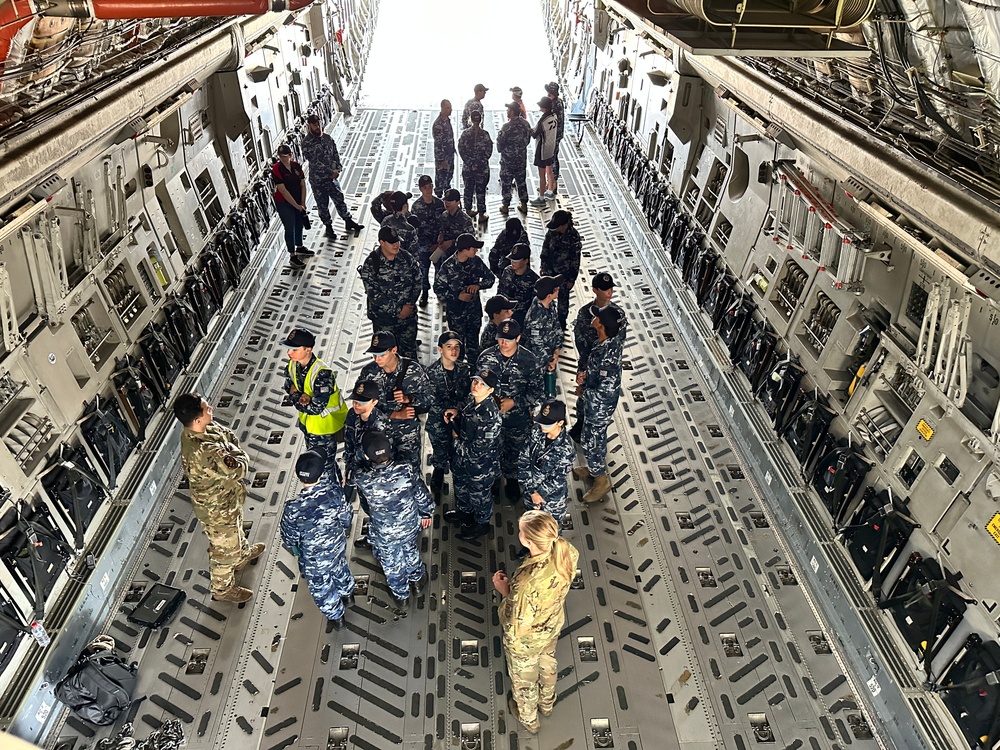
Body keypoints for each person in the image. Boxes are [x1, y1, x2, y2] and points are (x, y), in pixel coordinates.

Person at [492, 510, 579, 734]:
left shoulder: (525, 583)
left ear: (527, 540)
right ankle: (547, 704)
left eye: (521, 531)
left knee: (524, 681)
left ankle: (529, 719)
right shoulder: (566, 550)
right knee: (547, 661)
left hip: (526, 641)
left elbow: (513, 624)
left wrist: (505, 593)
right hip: (552, 625)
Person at [175, 393, 264, 603]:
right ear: (197, 419)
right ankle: (222, 589)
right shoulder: (204, 451)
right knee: (224, 553)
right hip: (216, 509)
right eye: (207, 409)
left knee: (236, 529)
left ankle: (241, 556)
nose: (211, 409)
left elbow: (229, 437)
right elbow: (240, 468)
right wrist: (236, 454)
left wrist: (231, 451)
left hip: (227, 498)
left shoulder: (202, 430)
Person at [352, 431, 433, 608]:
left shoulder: (363, 477)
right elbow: (422, 496)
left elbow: (363, 499)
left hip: (384, 531)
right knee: (410, 549)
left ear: (367, 456)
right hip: (410, 524)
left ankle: (401, 595)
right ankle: (417, 580)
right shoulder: (406, 469)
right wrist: (426, 513)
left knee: (391, 563)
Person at [281, 449, 354, 629]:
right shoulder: (334, 494)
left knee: (321, 587)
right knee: (340, 567)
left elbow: (289, 537)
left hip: (314, 559)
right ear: (322, 473)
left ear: (297, 474)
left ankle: (337, 617)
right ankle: (348, 594)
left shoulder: (292, 507)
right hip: (336, 546)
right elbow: (346, 518)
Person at [477, 319, 544, 502]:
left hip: (517, 417)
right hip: (491, 417)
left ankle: (512, 480)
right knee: (491, 449)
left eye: (508, 339)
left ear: (518, 338)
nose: (503, 343)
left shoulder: (529, 361)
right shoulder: (486, 357)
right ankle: (495, 480)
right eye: (500, 339)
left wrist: (515, 402)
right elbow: (477, 385)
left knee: (515, 449)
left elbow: (537, 390)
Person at [359, 331, 432, 474]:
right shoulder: (368, 373)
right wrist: (394, 414)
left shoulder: (413, 370)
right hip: (378, 435)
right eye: (374, 354)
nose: (377, 359)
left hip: (406, 435)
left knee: (410, 473)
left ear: (394, 350)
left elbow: (429, 398)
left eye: (382, 354)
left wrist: (409, 399)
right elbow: (361, 406)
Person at [444, 368, 502, 540]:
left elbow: (478, 449)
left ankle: (481, 523)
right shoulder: (473, 399)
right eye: (475, 381)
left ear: (490, 390)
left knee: (479, 495)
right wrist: (456, 412)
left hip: (480, 466)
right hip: (463, 461)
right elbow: (465, 410)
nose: (476, 385)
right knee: (461, 486)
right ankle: (465, 511)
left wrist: (456, 440)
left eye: (482, 384)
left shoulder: (490, 416)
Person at [282, 327, 348, 478]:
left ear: (308, 350)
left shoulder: (322, 373)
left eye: (294, 349)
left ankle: (334, 495)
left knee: (325, 468)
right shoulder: (293, 365)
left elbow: (315, 408)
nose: (289, 353)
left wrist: (294, 396)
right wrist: (300, 397)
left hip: (324, 429)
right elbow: (287, 384)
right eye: (289, 349)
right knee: (323, 464)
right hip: (309, 426)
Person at [570, 272, 629, 442]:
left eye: (610, 288)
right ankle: (580, 425)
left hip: (603, 365)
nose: (608, 292)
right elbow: (580, 341)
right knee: (582, 401)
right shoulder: (585, 313)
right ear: (595, 290)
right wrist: (583, 368)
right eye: (604, 289)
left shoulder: (618, 315)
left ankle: (592, 438)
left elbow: (619, 343)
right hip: (589, 362)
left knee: (595, 402)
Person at [577, 308, 623, 503]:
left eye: (597, 318)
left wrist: (584, 392)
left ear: (602, 325)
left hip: (599, 406)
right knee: (596, 439)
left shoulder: (609, 357)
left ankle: (601, 480)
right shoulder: (603, 343)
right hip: (594, 402)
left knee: (591, 441)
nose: (593, 319)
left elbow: (605, 391)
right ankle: (594, 469)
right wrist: (586, 376)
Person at [357, 226, 421, 359]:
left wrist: (409, 305)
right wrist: (398, 310)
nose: (396, 245)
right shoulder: (372, 263)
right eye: (392, 242)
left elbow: (417, 281)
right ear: (381, 242)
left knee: (409, 355)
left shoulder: (406, 257)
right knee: (386, 358)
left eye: (397, 241)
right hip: (384, 321)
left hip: (407, 320)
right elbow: (373, 293)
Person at [299, 113, 364, 241]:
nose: (317, 127)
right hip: (318, 180)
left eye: (318, 124)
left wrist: (338, 168)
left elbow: (335, 154)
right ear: (309, 126)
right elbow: (315, 162)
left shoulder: (327, 138)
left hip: (332, 178)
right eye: (314, 125)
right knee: (323, 204)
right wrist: (331, 171)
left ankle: (348, 220)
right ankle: (328, 227)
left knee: (339, 199)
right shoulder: (307, 143)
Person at [434, 233, 496, 364]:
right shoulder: (448, 266)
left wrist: (478, 286)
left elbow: (490, 278)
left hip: (473, 312)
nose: (476, 250)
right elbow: (438, 290)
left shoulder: (476, 262)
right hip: (456, 315)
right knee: (457, 350)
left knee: (474, 348)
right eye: (473, 248)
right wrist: (457, 296)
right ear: (464, 250)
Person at [426, 331, 471, 493]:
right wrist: (447, 412)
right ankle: (438, 470)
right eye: (449, 347)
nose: (453, 351)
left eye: (457, 347)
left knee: (459, 453)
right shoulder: (430, 373)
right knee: (439, 450)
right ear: (440, 349)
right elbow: (430, 400)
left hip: (461, 419)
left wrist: (457, 409)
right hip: (439, 422)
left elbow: (471, 395)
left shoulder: (465, 370)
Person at [518, 401, 574, 525]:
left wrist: (538, 495)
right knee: (531, 524)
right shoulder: (536, 431)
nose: (542, 425)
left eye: (547, 423)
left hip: (551, 500)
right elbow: (524, 458)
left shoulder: (566, 448)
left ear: (560, 422)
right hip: (530, 491)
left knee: (551, 529)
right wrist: (530, 490)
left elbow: (558, 478)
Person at [342, 379, 394, 508]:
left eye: (361, 402)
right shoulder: (352, 415)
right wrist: (349, 469)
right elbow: (349, 443)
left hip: (372, 474)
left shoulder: (380, 425)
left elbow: (383, 458)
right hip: (356, 468)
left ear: (374, 402)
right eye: (354, 400)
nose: (356, 405)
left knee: (371, 505)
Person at [272, 144, 312, 269]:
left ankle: (299, 246)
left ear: (290, 155)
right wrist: (296, 205)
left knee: (299, 223)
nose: (282, 159)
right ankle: (292, 255)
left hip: (297, 200)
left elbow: (303, 185)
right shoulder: (277, 169)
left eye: (285, 156)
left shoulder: (296, 166)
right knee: (290, 226)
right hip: (284, 203)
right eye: (280, 157)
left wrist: (303, 203)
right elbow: (283, 190)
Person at [540, 209, 582, 329]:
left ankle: (561, 323)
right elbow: (545, 248)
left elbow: (576, 260)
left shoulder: (573, 237)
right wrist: (543, 266)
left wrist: (572, 279)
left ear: (564, 225)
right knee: (546, 297)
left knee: (563, 301)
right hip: (550, 271)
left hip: (564, 274)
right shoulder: (552, 232)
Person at [523, 276, 563, 397]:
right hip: (537, 363)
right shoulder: (536, 316)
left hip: (549, 357)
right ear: (549, 295)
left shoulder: (550, 306)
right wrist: (550, 360)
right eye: (556, 289)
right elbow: (536, 344)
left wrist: (556, 351)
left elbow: (557, 329)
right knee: (537, 393)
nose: (558, 289)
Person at [410, 175, 444, 306]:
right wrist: (427, 244)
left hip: (438, 245)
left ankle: (439, 291)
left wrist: (437, 243)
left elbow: (443, 225)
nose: (428, 190)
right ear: (420, 189)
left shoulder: (439, 204)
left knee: (439, 270)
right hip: (423, 246)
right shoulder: (416, 207)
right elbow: (415, 230)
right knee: (423, 271)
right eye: (425, 188)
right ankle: (424, 293)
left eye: (430, 187)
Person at [497, 102, 533, 215]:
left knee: (506, 182)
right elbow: (527, 140)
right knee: (521, 181)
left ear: (512, 112)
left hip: (508, 161)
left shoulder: (506, 127)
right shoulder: (526, 124)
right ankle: (523, 204)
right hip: (521, 159)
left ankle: (506, 205)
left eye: (508, 110)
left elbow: (499, 144)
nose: (507, 111)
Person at [458, 110, 494, 219]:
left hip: (468, 168)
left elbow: (461, 150)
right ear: (481, 119)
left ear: (470, 119)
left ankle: (468, 210)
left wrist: (470, 163)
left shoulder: (465, 134)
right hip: (482, 169)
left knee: (468, 189)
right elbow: (489, 151)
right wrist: (479, 164)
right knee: (481, 190)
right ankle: (482, 214)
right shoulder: (485, 134)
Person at [498, 244, 539, 327]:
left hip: (521, 318)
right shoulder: (507, 271)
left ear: (526, 261)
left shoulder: (534, 280)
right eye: (512, 259)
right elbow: (500, 290)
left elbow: (535, 306)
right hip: (505, 314)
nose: (512, 262)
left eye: (516, 260)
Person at [529, 98, 558, 207]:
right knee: (549, 170)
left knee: (541, 175)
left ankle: (541, 198)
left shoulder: (543, 120)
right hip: (551, 147)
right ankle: (550, 191)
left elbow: (534, 134)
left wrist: (529, 129)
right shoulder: (554, 116)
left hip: (542, 150)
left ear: (544, 107)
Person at [435, 188, 475, 267]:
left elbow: (470, 241)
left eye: (450, 201)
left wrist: (452, 242)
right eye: (445, 201)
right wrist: (440, 236)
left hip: (458, 259)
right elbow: (442, 230)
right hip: (443, 255)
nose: (447, 203)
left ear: (458, 202)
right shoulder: (444, 215)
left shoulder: (465, 220)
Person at [544, 82, 566, 196]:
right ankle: (551, 183)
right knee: (554, 158)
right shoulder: (559, 102)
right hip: (558, 134)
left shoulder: (554, 104)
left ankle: (553, 184)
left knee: (552, 159)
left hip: (554, 135)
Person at [432, 99, 456, 196]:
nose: (450, 110)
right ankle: (439, 196)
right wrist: (443, 160)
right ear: (442, 108)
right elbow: (438, 144)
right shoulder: (438, 124)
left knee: (448, 176)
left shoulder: (446, 121)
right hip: (443, 157)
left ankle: (447, 194)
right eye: (448, 108)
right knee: (441, 177)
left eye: (450, 107)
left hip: (449, 155)